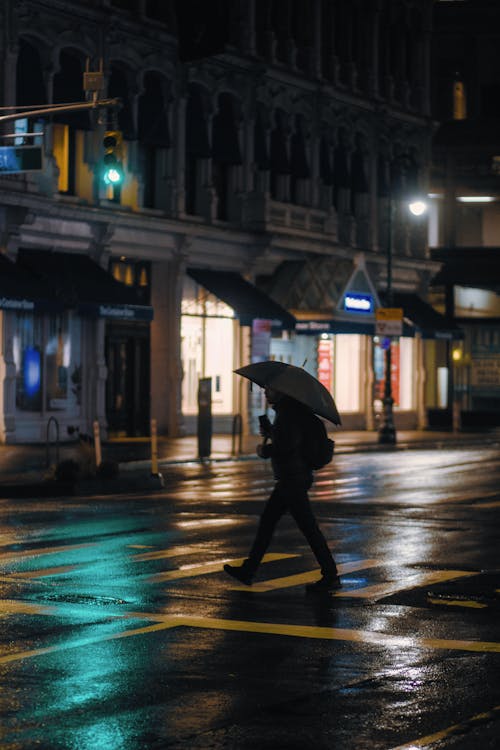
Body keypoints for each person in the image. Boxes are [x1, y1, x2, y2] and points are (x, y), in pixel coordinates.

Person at [223, 386, 341, 593]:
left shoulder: (288, 414)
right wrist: (271, 432)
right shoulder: (292, 411)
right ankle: (249, 570)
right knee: (276, 523)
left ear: (282, 392)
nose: (266, 393)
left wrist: (264, 450)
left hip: (292, 479)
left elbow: (286, 446)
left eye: (270, 390)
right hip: (294, 478)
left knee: (301, 527)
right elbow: (290, 439)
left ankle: (330, 575)